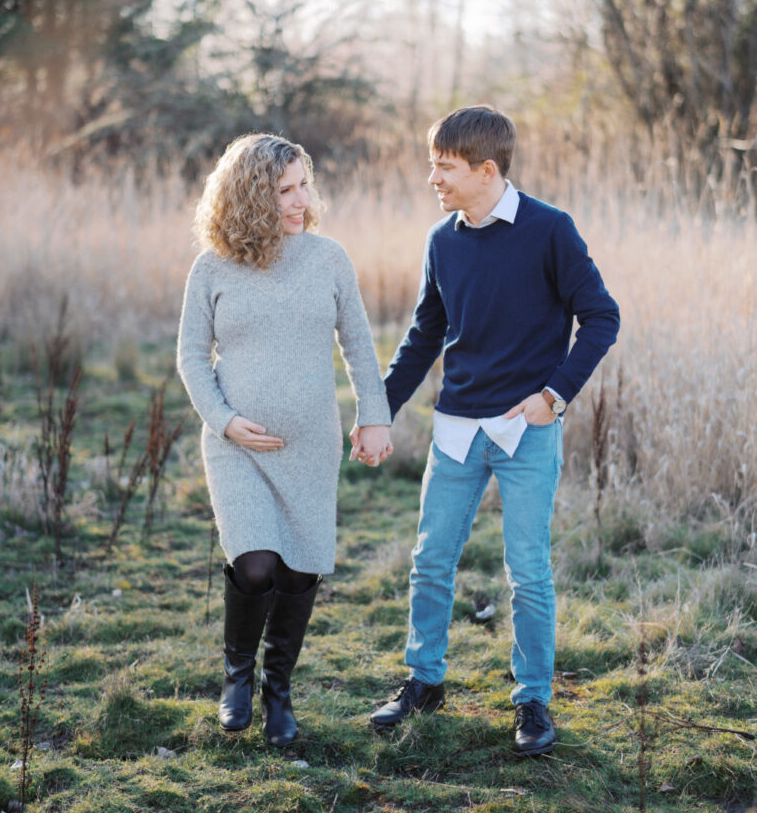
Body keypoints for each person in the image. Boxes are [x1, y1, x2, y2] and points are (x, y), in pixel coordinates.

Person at [360, 106, 619, 756]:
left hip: (524, 431)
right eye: (431, 165)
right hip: (454, 429)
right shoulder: (441, 240)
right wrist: (378, 410)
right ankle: (423, 680)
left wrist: (554, 395)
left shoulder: (549, 230)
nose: (433, 179)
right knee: (430, 561)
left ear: (486, 170)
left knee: (527, 572)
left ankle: (532, 698)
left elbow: (601, 317)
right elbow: (424, 335)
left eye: (443, 168)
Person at [177, 133, 392, 746]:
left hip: (310, 447)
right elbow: (192, 357)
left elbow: (357, 344)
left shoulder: (328, 259)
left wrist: (373, 415)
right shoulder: (212, 267)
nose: (302, 200)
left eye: (304, 185)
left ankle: (280, 692)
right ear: (249, 197)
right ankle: (236, 676)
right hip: (236, 445)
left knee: (298, 573)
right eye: (285, 190)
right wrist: (222, 419)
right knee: (254, 565)